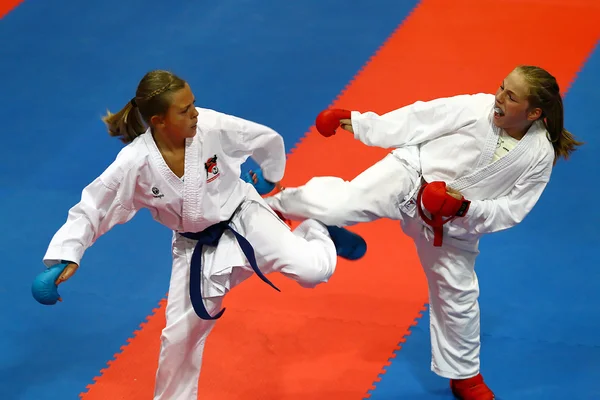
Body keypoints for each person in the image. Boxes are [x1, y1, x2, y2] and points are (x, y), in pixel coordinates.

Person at [39, 69, 366, 400]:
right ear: (159, 121)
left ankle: (316, 228)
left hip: (245, 217)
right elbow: (94, 207)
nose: (195, 112)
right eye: (184, 110)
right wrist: (68, 254)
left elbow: (265, 138)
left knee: (314, 271)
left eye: (193, 104)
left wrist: (270, 176)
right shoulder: (135, 163)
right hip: (195, 247)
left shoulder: (210, 127)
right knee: (179, 337)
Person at [264, 65, 583, 400]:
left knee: (458, 296)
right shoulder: (477, 108)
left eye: (510, 96)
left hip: (453, 225)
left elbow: (512, 210)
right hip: (409, 176)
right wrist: (358, 123)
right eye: (501, 87)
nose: (499, 98)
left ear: (533, 113)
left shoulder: (538, 155)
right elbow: (421, 118)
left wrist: (463, 209)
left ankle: (464, 376)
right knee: (338, 204)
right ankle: (276, 206)